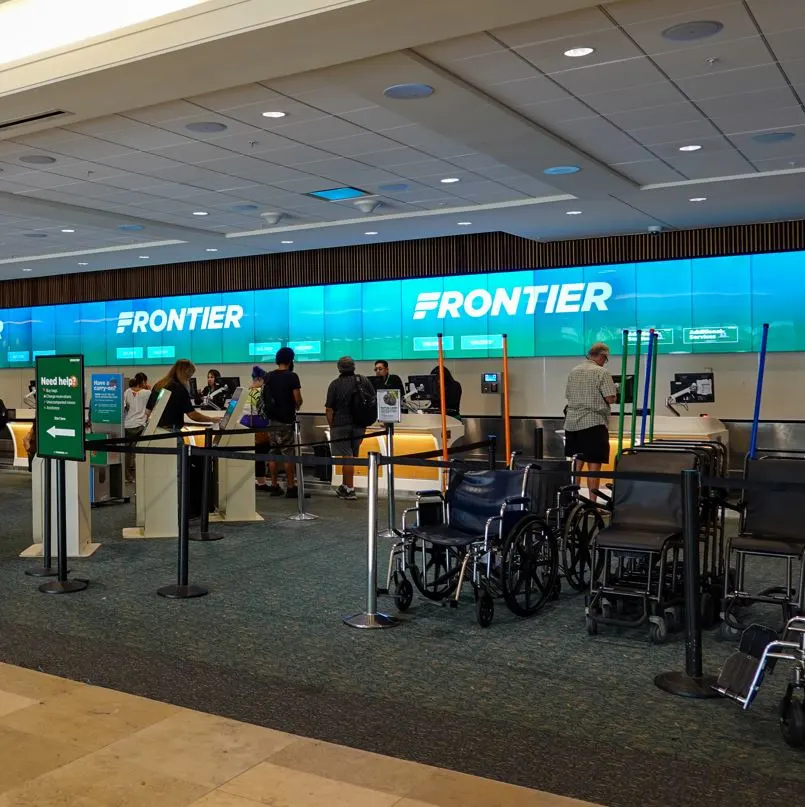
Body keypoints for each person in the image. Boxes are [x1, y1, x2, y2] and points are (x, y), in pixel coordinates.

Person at [563, 342, 617, 503]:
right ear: (602, 356)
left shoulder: (574, 371)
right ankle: (592, 503)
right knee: (594, 465)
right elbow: (610, 398)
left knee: (576, 464)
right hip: (593, 423)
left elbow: (568, 395)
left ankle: (573, 501)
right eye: (605, 359)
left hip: (572, 423)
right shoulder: (601, 372)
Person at [325, 356, 370, 500]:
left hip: (340, 424)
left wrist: (333, 426)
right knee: (349, 456)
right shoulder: (363, 380)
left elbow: (329, 409)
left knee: (347, 456)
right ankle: (344, 486)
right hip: (359, 424)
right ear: (354, 367)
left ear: (339, 368)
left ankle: (350, 489)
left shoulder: (335, 384)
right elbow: (373, 399)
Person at [262, 347, 303, 498]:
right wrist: (297, 404)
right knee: (288, 453)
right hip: (286, 420)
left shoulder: (269, 376)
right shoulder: (292, 376)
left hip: (272, 420)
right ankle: (291, 487)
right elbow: (297, 398)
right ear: (290, 360)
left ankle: (274, 485)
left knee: (273, 452)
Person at [146, 359, 218, 430]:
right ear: (186, 373)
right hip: (171, 431)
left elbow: (148, 411)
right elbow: (192, 415)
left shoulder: (158, 385)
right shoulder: (179, 388)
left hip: (154, 430)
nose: (189, 379)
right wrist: (212, 419)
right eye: (189, 376)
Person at [246, 366, 272, 491]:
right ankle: (262, 482)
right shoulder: (261, 393)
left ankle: (257, 480)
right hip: (261, 428)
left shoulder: (246, 392)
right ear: (261, 379)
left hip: (247, 427)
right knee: (261, 455)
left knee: (254, 456)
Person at [123, 372, 150, 483]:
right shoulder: (147, 393)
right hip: (140, 426)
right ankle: (138, 475)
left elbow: (125, 407)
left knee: (127, 453)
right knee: (138, 453)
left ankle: (128, 475)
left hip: (127, 425)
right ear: (143, 381)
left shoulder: (127, 391)